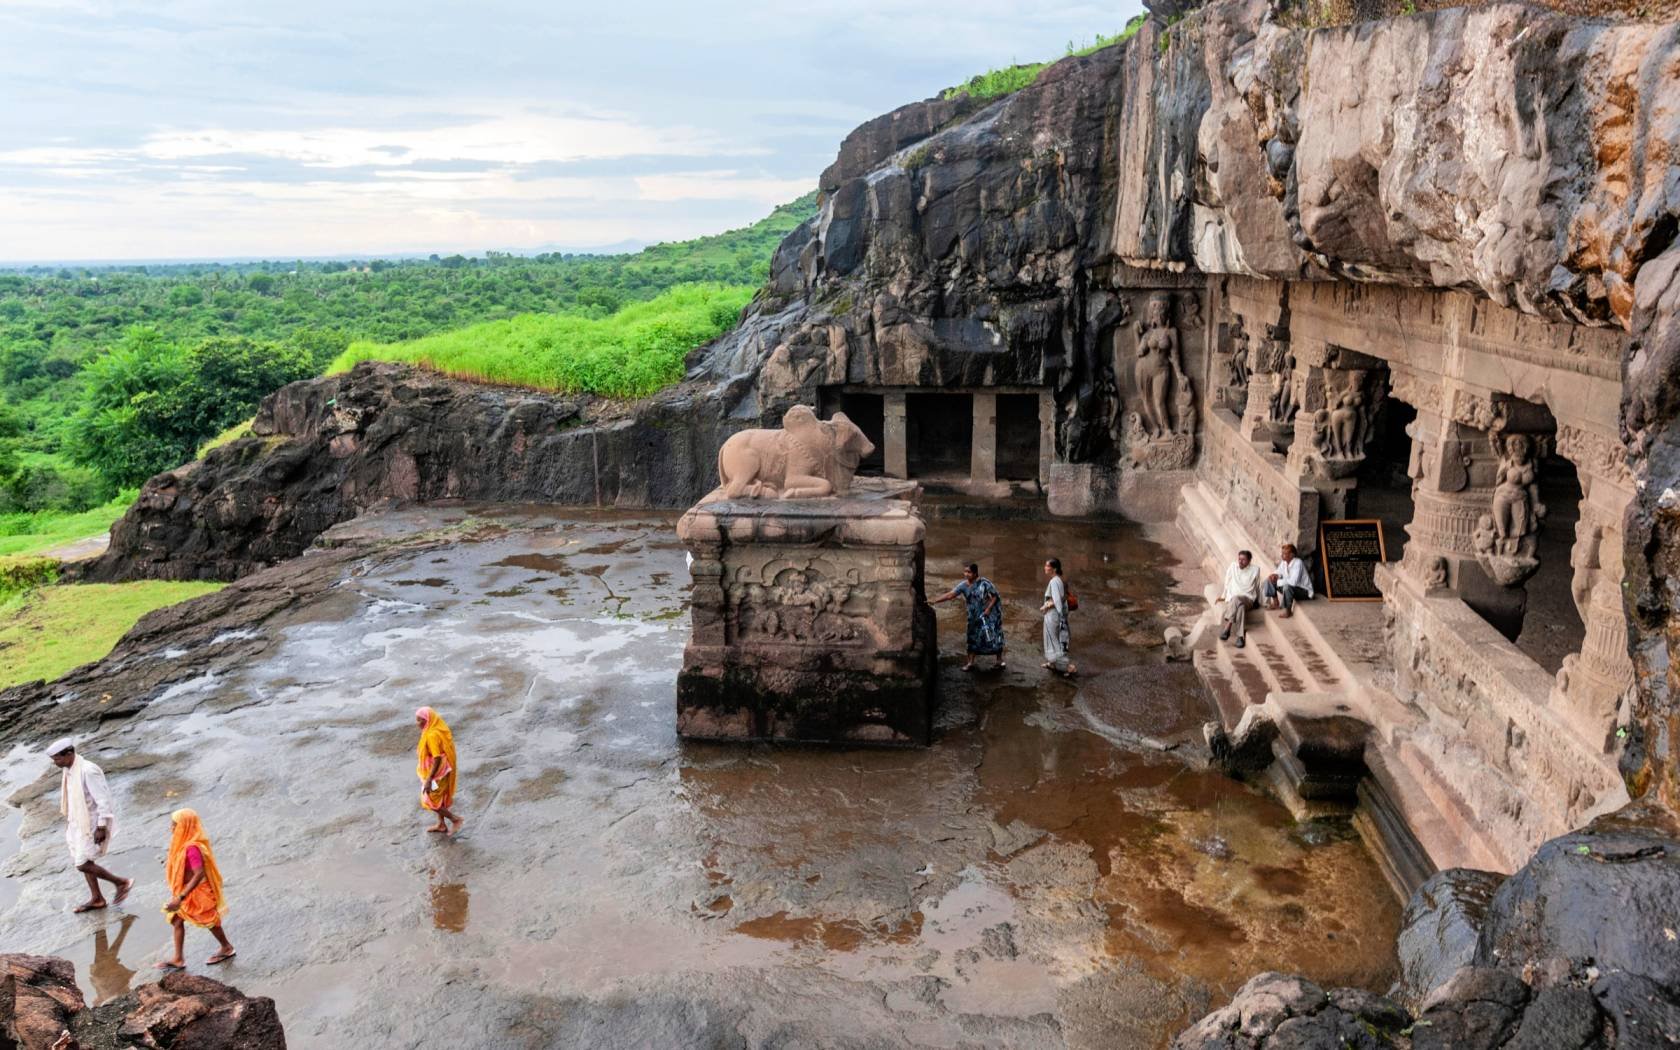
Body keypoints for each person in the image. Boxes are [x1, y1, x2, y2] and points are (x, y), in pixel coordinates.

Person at [48, 739, 132, 914]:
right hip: (77, 822)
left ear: (69, 754)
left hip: (91, 823)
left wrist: (101, 826)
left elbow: (103, 800)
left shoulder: (88, 770)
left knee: (82, 864)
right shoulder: (69, 770)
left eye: (57, 759)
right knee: (86, 859)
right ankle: (97, 898)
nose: (55, 763)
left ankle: (121, 883)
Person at [157, 808, 236, 969]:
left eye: (174, 824)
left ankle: (226, 947)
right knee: (177, 920)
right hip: (185, 891)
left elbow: (199, 874)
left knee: (210, 922)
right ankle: (178, 958)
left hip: (197, 892)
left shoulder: (192, 848)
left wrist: (181, 898)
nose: (171, 828)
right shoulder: (181, 846)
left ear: (184, 827)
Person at [930, 563, 1006, 671]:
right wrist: (935, 600)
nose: (966, 574)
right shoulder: (963, 586)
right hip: (973, 616)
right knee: (972, 637)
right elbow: (950, 595)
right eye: (965, 572)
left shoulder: (984, 583)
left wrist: (988, 609)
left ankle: (999, 660)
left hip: (987, 615)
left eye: (969, 572)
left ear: (975, 573)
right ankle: (971, 662)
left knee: (993, 636)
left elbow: (994, 596)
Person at [416, 707, 463, 836]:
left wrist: (429, 779)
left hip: (437, 773)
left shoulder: (431, 735)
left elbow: (436, 757)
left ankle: (455, 819)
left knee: (430, 800)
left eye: (420, 720)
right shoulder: (435, 730)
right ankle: (441, 825)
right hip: (443, 769)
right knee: (439, 798)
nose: (417, 723)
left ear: (427, 720)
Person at [1217, 549, 1262, 648]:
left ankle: (1228, 627)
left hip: (1248, 599)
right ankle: (1240, 637)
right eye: (1239, 559)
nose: (1240, 562)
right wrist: (1223, 596)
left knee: (1237, 599)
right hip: (1234, 600)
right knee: (1240, 606)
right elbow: (1227, 582)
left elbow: (1258, 586)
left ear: (1249, 561)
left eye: (1244, 560)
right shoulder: (1233, 566)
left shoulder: (1255, 569)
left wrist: (1259, 601)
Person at [1040, 558, 1076, 676]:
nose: (1045, 568)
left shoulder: (1055, 581)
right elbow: (1061, 598)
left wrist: (1046, 606)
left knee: (1054, 642)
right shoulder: (1058, 580)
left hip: (1053, 616)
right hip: (1055, 616)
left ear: (1054, 569)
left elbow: (1056, 601)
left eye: (1047, 566)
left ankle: (1068, 667)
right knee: (1053, 640)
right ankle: (1052, 663)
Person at [1264, 542, 1314, 618]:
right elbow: (1279, 571)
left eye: (1284, 553)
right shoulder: (1284, 562)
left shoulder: (1298, 563)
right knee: (1269, 579)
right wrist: (1274, 575)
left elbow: (1293, 582)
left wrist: (1277, 581)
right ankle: (1275, 603)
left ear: (1292, 555)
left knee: (1287, 587)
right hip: (1291, 589)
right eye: (1282, 553)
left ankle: (1288, 611)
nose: (1281, 555)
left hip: (1304, 592)